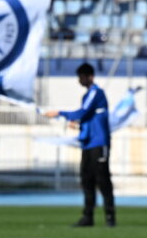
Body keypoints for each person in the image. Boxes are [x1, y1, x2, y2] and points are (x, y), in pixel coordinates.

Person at [45, 63, 114, 227]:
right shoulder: (87, 95)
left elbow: (83, 112)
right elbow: (88, 118)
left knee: (103, 180)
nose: (80, 80)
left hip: (99, 143)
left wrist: (60, 113)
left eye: (82, 77)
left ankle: (110, 217)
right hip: (88, 143)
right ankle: (88, 216)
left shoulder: (96, 92)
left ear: (90, 76)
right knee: (87, 180)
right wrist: (78, 125)